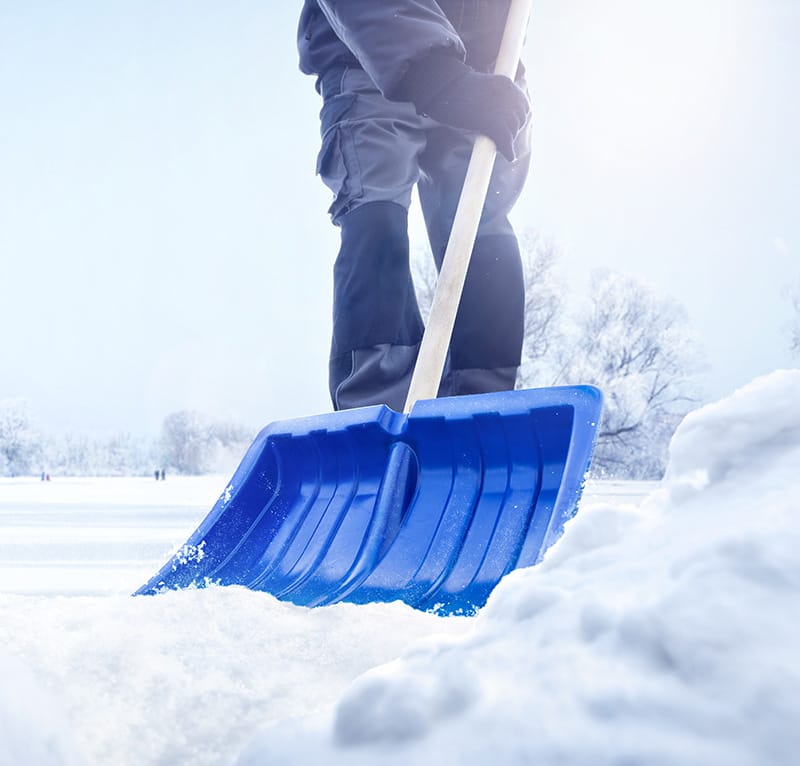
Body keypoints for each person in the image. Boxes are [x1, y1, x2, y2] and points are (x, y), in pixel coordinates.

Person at [298, 1, 532, 411]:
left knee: (479, 219)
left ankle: (481, 409)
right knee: (376, 205)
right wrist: (436, 76)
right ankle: (377, 406)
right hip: (369, 52)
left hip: (488, 65)